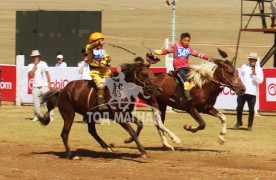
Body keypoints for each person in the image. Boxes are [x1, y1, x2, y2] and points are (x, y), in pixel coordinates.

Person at [153, 32, 210, 102]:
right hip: (179, 69)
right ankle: (187, 97)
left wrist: (207, 58)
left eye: (188, 41)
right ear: (181, 40)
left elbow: (198, 54)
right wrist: (156, 52)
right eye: (185, 41)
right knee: (186, 82)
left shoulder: (189, 49)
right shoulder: (175, 46)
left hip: (187, 68)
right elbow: (165, 51)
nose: (187, 42)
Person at [233, 52, 264, 131]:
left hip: (252, 92)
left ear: (256, 60)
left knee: (251, 109)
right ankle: (239, 122)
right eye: (251, 59)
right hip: (242, 91)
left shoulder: (259, 69)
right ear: (249, 59)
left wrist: (254, 74)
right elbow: (239, 77)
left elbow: (260, 81)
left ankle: (249, 125)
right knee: (239, 108)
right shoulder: (244, 66)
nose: (252, 61)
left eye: (254, 59)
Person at [85, 32, 111, 110]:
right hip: (95, 72)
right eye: (100, 41)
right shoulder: (89, 49)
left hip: (105, 71)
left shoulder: (102, 50)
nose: (102, 43)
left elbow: (108, 58)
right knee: (101, 85)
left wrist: (104, 62)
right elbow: (90, 46)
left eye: (102, 40)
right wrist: (98, 42)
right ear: (94, 41)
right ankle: (100, 103)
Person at [28, 50, 54, 121]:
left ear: (38, 57)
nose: (34, 58)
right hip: (35, 86)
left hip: (44, 86)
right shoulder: (30, 65)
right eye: (33, 57)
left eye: (36, 56)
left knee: (47, 102)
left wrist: (49, 83)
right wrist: (35, 66)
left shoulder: (44, 64)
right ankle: (37, 116)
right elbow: (31, 75)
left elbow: (47, 73)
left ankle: (51, 116)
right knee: (36, 103)